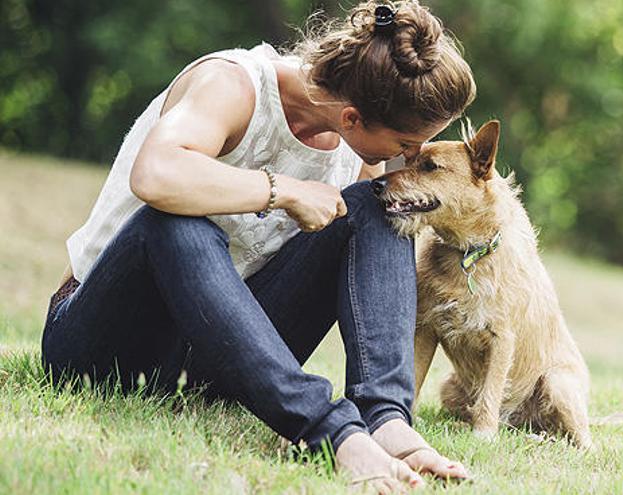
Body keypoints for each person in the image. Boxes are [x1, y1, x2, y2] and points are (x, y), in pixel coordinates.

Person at [40, 1, 476, 491]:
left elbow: (367, 260)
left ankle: (386, 421)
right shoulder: (233, 83)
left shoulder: (354, 153)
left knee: (378, 208)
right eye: (404, 146)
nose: (408, 159)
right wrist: (284, 191)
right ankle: (332, 433)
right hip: (108, 344)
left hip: (216, 359)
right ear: (353, 117)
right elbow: (156, 173)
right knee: (176, 222)